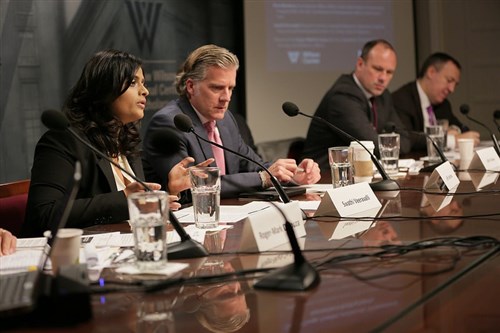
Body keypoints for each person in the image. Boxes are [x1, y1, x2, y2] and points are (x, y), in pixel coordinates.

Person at [22, 50, 180, 237]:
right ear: (104, 89)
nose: (145, 91)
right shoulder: (63, 141)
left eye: (143, 83)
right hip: (71, 258)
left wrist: (171, 189)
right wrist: (124, 200)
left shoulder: (124, 140)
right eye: (132, 82)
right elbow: (44, 215)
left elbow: (139, 208)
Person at [143, 44, 321, 200]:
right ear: (191, 86)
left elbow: (253, 166)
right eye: (217, 88)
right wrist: (264, 178)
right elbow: (189, 186)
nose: (226, 98)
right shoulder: (169, 122)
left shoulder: (225, 120)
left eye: (230, 88)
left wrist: (292, 175)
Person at [302, 39, 411, 170]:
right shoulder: (342, 96)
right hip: (325, 176)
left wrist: (390, 145)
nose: (383, 78)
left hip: (357, 173)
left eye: (389, 72)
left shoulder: (383, 96)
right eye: (378, 69)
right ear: (360, 64)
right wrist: (389, 145)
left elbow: (404, 140)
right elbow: (372, 146)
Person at [392, 52, 480, 152]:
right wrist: (451, 140)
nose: (452, 89)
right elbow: (408, 139)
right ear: (431, 72)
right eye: (449, 80)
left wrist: (455, 130)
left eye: (455, 84)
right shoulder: (401, 99)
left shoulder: (443, 104)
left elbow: (463, 129)